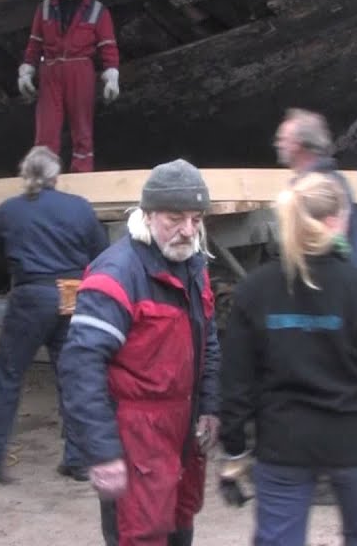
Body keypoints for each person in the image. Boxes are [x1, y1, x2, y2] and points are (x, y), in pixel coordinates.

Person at [219, 173, 357, 546]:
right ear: (335, 221)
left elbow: (236, 382)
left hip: (283, 447)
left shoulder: (255, 290)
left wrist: (234, 453)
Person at [59, 159, 220, 546]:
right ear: (147, 215)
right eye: (175, 218)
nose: (188, 231)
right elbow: (80, 369)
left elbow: (208, 341)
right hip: (134, 446)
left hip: (181, 440)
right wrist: (102, 452)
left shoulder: (193, 268)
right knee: (139, 536)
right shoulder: (115, 276)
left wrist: (211, 405)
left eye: (196, 220)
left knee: (181, 529)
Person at [0, 146, 111, 483]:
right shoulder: (79, 207)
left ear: (25, 175)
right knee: (72, 376)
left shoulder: (9, 210)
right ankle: (77, 460)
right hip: (70, 293)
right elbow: (101, 251)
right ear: (55, 175)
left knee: (9, 375)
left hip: (31, 295)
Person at [18, 0, 121, 173]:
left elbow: (108, 46)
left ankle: (82, 176)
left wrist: (112, 75)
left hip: (80, 70)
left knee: (82, 128)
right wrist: (27, 71)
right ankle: (43, 179)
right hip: (51, 71)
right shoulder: (45, 7)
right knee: (46, 129)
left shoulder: (97, 10)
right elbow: (35, 44)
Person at [273, 110, 357, 270]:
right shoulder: (332, 181)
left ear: (297, 144)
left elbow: (339, 246)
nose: (278, 144)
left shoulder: (322, 188)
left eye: (283, 139)